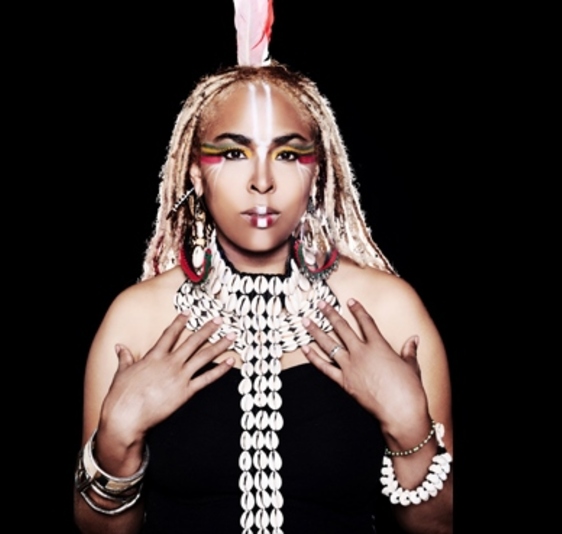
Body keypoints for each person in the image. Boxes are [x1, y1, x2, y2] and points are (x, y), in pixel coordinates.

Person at [73, 61, 453, 533]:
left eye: (288, 154)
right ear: (196, 174)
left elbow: (438, 526)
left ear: (317, 173)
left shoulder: (389, 313)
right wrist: (116, 441)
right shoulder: (137, 319)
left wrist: (409, 427)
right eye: (233, 153)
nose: (262, 181)